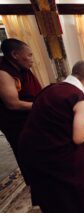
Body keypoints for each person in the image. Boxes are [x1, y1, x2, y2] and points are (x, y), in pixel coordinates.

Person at [18, 61, 84, 213]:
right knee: (80, 184)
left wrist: (82, 124)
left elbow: (53, 121)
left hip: (34, 152)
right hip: (60, 156)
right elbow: (78, 138)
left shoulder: (50, 89)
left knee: (51, 191)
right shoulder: (82, 100)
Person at [0, 38, 42, 183]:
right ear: (15, 54)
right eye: (29, 55)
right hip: (16, 123)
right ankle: (35, 182)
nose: (32, 59)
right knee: (26, 152)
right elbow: (12, 104)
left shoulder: (22, 70)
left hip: (31, 118)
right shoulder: (4, 73)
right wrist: (41, 105)